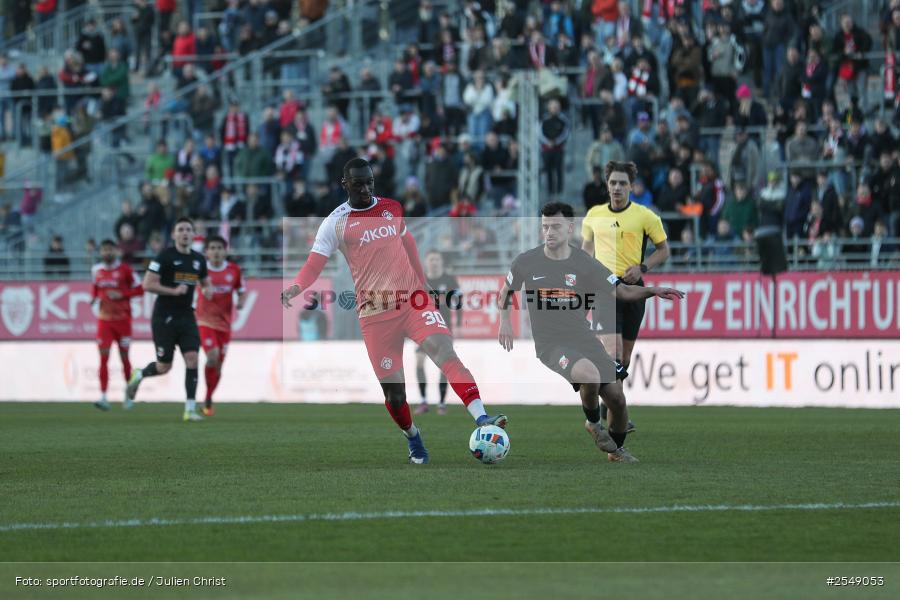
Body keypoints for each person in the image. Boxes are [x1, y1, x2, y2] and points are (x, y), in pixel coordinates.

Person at [281, 158, 507, 464]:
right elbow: (314, 264)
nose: (365, 188)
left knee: (444, 352)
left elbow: (408, 242)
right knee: (395, 396)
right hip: (374, 314)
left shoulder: (391, 208)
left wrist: (424, 283)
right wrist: (296, 287)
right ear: (344, 184)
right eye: (358, 183)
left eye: (370, 182)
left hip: (413, 300)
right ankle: (413, 437)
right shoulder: (335, 223)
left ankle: (481, 417)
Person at [498, 202, 683, 463]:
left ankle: (616, 451)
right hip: (552, 345)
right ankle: (593, 423)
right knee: (589, 375)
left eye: (555, 226)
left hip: (584, 339)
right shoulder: (526, 261)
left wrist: (652, 291)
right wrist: (505, 319)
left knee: (618, 400)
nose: (549, 232)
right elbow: (506, 291)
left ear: (570, 228)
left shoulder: (584, 263)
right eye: (545, 227)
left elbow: (621, 290)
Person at [581, 161, 669, 428]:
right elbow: (585, 252)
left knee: (625, 358)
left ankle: (613, 407)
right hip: (604, 289)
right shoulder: (594, 215)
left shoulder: (645, 216)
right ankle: (611, 415)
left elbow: (663, 250)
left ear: (631, 186)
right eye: (613, 183)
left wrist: (642, 267)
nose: (617, 188)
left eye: (622, 183)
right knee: (613, 354)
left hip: (633, 290)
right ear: (607, 185)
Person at [125, 218, 213, 421]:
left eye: (188, 230)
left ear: (193, 234)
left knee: (192, 359)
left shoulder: (198, 259)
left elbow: (206, 281)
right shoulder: (164, 257)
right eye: (180, 229)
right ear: (174, 234)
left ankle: (189, 409)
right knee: (164, 366)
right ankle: (139, 374)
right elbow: (147, 285)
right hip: (164, 317)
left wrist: (208, 289)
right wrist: (173, 291)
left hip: (187, 316)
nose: (185, 233)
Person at [194, 236, 246, 417]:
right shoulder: (200, 270)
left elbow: (241, 290)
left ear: (225, 251)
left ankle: (208, 398)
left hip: (224, 325)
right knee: (212, 356)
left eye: (219, 248)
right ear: (206, 252)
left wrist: (240, 302)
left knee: (218, 367)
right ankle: (204, 397)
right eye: (212, 248)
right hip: (204, 321)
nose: (216, 251)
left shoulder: (234, 270)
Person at [91, 240, 143, 411]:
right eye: (104, 249)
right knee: (103, 358)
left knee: (124, 359)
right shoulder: (96, 271)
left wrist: (121, 294)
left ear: (116, 251)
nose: (106, 252)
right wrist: (94, 299)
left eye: (109, 249)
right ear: (101, 252)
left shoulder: (125, 270)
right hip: (104, 321)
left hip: (123, 322)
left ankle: (128, 397)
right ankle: (103, 397)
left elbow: (140, 289)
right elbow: (95, 289)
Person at [414, 250, 463, 416]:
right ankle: (423, 401)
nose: (433, 262)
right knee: (419, 361)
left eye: (436, 259)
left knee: (443, 365)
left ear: (441, 261)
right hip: (424, 328)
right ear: (426, 262)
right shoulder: (420, 279)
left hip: (443, 328)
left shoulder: (449, 280)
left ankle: (441, 403)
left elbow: (459, 302)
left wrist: (459, 324)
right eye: (431, 259)